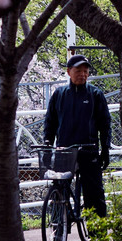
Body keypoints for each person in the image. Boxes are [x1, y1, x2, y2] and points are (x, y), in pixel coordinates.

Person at [43, 54, 112, 217]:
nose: (83, 74)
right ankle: (58, 234)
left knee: (94, 194)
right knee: (59, 191)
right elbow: (50, 123)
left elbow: (105, 124)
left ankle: (98, 235)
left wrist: (105, 148)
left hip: (89, 150)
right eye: (78, 70)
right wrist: (47, 144)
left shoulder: (95, 94)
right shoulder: (59, 94)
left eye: (86, 71)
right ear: (68, 72)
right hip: (64, 150)